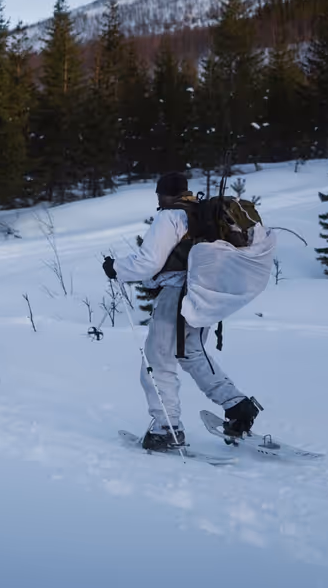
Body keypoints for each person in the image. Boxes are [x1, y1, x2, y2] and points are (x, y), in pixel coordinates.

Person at [103, 172, 263, 451]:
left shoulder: (170, 217)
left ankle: (167, 429)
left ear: (163, 194)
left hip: (177, 295)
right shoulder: (199, 215)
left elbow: (148, 263)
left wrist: (115, 268)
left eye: (158, 196)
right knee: (191, 353)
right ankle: (238, 407)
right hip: (204, 294)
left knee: (157, 361)